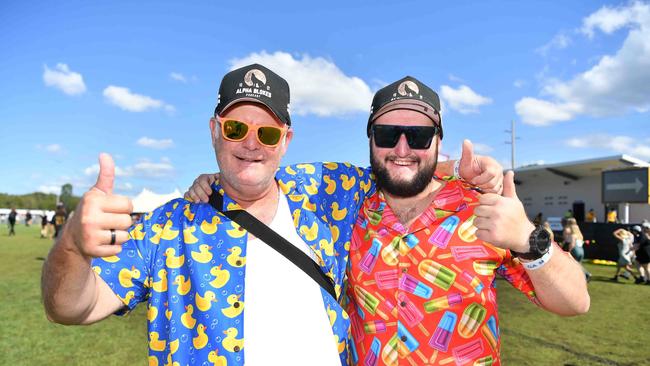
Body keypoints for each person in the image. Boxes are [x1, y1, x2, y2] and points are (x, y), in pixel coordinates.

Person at [42, 64, 501, 366]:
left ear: (286, 138)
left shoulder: (329, 194)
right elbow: (71, 308)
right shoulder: (167, 228)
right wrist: (72, 246)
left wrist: (463, 172)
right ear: (214, 131)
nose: (251, 143)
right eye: (237, 128)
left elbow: (401, 165)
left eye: (267, 131)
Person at [188, 76, 590, 365]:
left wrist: (527, 239)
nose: (402, 148)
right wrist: (212, 182)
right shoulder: (345, 203)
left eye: (417, 137)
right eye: (387, 134)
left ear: (437, 142)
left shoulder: (482, 208)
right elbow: (257, 175)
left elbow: (576, 303)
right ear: (370, 140)